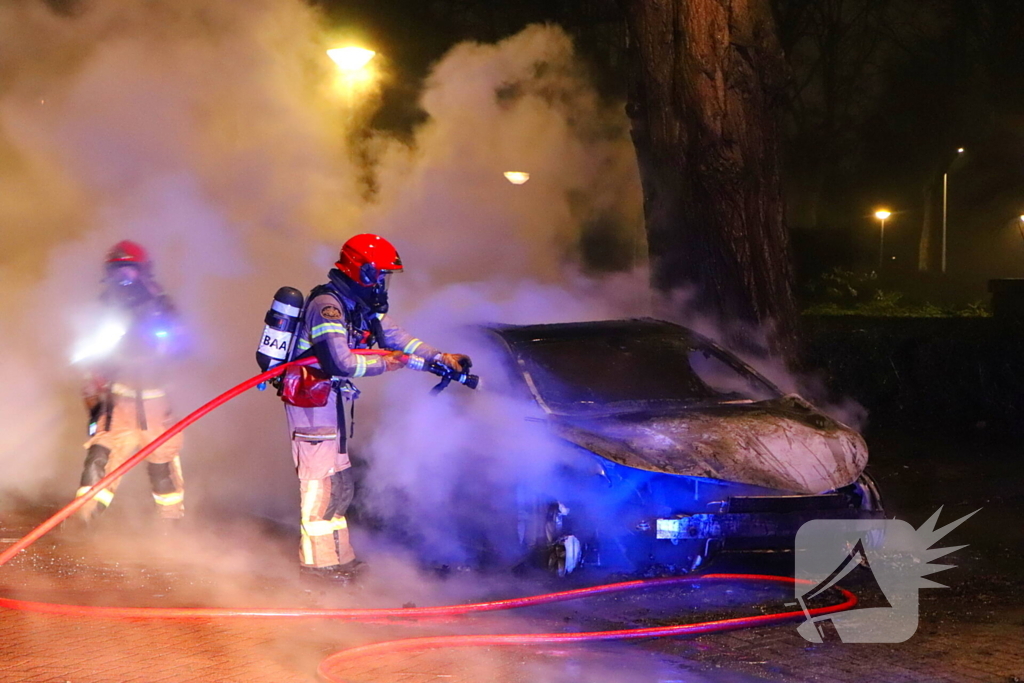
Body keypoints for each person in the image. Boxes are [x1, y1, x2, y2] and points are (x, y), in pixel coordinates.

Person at [285, 234, 471, 580]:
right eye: (381, 275)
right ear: (363, 272)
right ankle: (317, 568)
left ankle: (337, 559)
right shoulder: (327, 306)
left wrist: (437, 357)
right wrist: (387, 363)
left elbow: (396, 337)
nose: (384, 283)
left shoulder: (356, 305)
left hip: (331, 401)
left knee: (339, 485)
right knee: (319, 485)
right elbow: (339, 362)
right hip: (312, 402)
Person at [72, 240, 187, 525]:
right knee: (100, 456)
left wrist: (156, 341)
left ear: (142, 271)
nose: (122, 278)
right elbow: (91, 350)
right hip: (117, 405)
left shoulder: (161, 306)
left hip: (156, 406)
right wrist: (93, 384)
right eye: (116, 272)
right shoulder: (103, 308)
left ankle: (172, 524)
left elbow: (180, 348)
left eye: (128, 270)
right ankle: (84, 518)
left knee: (161, 466)